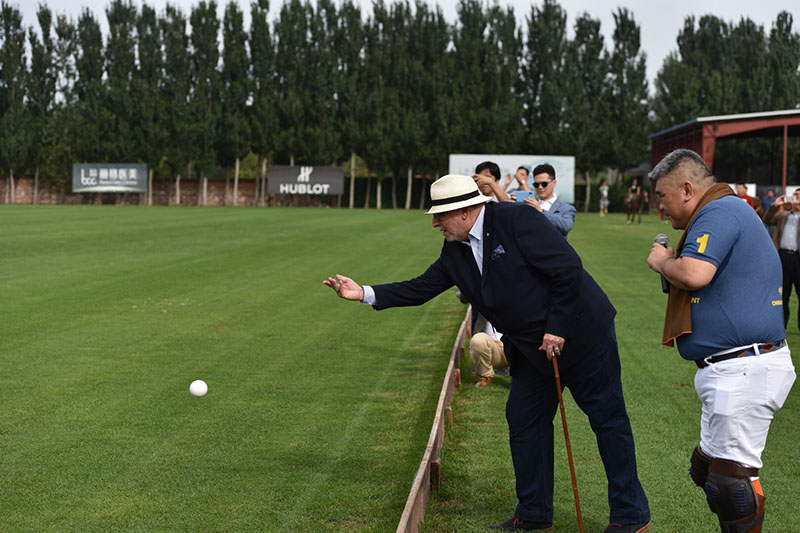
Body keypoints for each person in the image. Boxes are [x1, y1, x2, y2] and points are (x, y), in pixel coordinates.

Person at [324, 174, 651, 532]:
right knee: (524, 422)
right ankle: (534, 513)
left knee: (608, 422)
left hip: (582, 334)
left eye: (440, 215)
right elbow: (422, 288)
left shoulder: (518, 220)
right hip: (531, 350)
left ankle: (630, 515)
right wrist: (365, 293)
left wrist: (556, 327)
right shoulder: (454, 250)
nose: (435, 223)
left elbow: (568, 270)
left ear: (465, 211)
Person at [647, 149, 795, 533]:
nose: (660, 208)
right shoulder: (720, 210)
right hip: (735, 367)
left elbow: (694, 272)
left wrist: (662, 260)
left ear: (686, 188)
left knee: (732, 486)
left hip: (745, 366)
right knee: (708, 472)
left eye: (662, 197)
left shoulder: (719, 211)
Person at [763, 189, 800, 331]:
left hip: (798, 259)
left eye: (798, 195)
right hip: (783, 257)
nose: (796, 198)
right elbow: (767, 219)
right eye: (795, 195)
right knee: (783, 294)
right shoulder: (783, 215)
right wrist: (775, 205)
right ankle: (781, 326)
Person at [512, 164, 576, 236]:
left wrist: (542, 212)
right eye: (536, 184)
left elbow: (566, 226)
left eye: (544, 184)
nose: (540, 187)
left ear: (554, 183)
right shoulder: (528, 204)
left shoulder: (566, 208)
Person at [470, 312, 509, 387]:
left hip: (514, 344)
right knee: (478, 340)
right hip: (491, 347)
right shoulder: (483, 301)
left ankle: (519, 378)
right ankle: (485, 377)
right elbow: (464, 300)